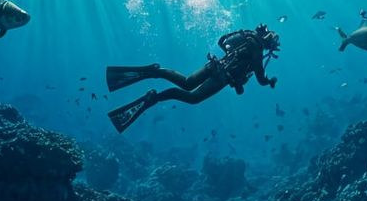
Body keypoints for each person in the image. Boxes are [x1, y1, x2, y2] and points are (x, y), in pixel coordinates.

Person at [105, 24, 280, 132]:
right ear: (268, 42)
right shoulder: (257, 50)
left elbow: (221, 42)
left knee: (186, 82)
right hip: (222, 77)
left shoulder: (245, 35)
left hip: (213, 64)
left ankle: (154, 71)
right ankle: (154, 97)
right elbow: (260, 79)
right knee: (192, 97)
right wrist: (269, 81)